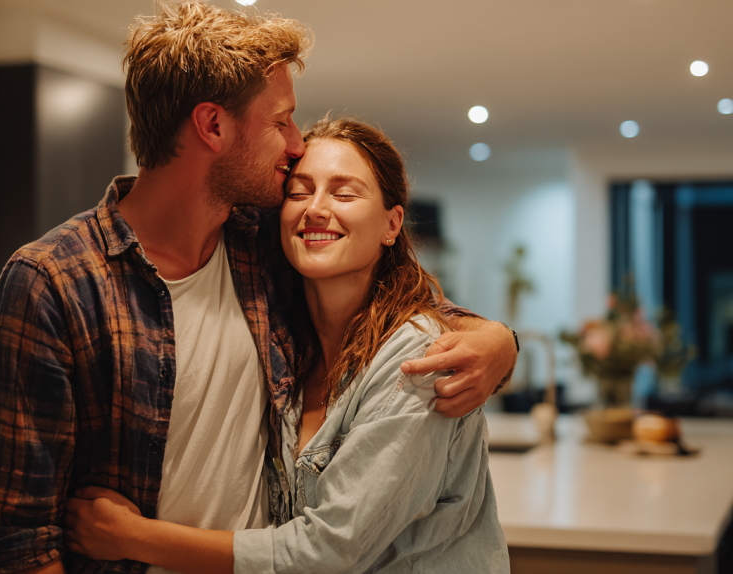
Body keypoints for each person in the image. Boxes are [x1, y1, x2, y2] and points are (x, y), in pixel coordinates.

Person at [0, 3, 517, 574]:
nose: (296, 142)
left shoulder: (259, 244)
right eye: (280, 121)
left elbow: (397, 302)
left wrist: (497, 339)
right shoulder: (54, 282)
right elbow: (15, 541)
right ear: (213, 126)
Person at [62, 117, 510, 574]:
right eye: (299, 191)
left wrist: (134, 538)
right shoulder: (284, 340)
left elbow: (327, 552)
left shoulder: (419, 362)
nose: (316, 208)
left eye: (344, 192)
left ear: (391, 224)